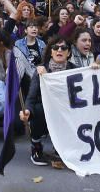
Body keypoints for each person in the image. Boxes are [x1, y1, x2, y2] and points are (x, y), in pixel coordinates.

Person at [20, 36, 77, 166]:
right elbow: (32, 96)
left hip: (65, 110)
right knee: (38, 109)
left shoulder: (75, 70)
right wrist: (27, 110)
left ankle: (61, 145)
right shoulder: (41, 69)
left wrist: (95, 69)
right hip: (46, 110)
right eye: (56, 47)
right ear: (51, 51)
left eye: (64, 48)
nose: (59, 50)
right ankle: (36, 145)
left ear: (68, 53)